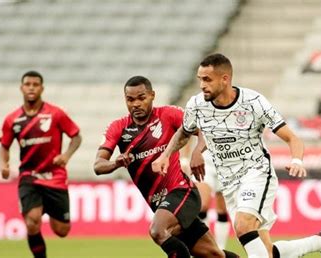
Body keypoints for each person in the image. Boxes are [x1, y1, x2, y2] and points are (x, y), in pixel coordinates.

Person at [152, 53, 321, 258]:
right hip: (229, 182)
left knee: (243, 226)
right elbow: (184, 132)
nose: (202, 85)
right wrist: (166, 155)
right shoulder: (197, 105)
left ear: (225, 79)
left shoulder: (253, 102)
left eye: (207, 79)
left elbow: (292, 138)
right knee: (266, 252)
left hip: (256, 173)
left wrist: (296, 159)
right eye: (200, 79)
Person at [93, 76, 239, 258]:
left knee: (157, 231)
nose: (136, 104)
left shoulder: (168, 114)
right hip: (162, 204)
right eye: (130, 100)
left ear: (152, 95)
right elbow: (98, 165)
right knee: (214, 254)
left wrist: (197, 152)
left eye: (141, 98)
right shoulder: (118, 128)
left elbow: (204, 129)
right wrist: (116, 162)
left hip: (182, 192)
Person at [0, 71, 82, 258]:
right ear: (21, 88)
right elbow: (4, 146)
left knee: (62, 231)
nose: (31, 88)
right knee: (32, 222)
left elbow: (76, 136)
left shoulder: (56, 113)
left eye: (35, 84)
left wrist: (66, 155)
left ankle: (47, 208)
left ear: (41, 88)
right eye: (28, 84)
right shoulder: (12, 119)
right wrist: (3, 164)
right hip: (29, 176)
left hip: (55, 177)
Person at [190, 150, 231, 250]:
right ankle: (206, 246)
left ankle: (220, 249)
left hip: (227, 163)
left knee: (222, 209)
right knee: (202, 205)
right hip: (204, 162)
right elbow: (187, 135)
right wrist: (184, 158)